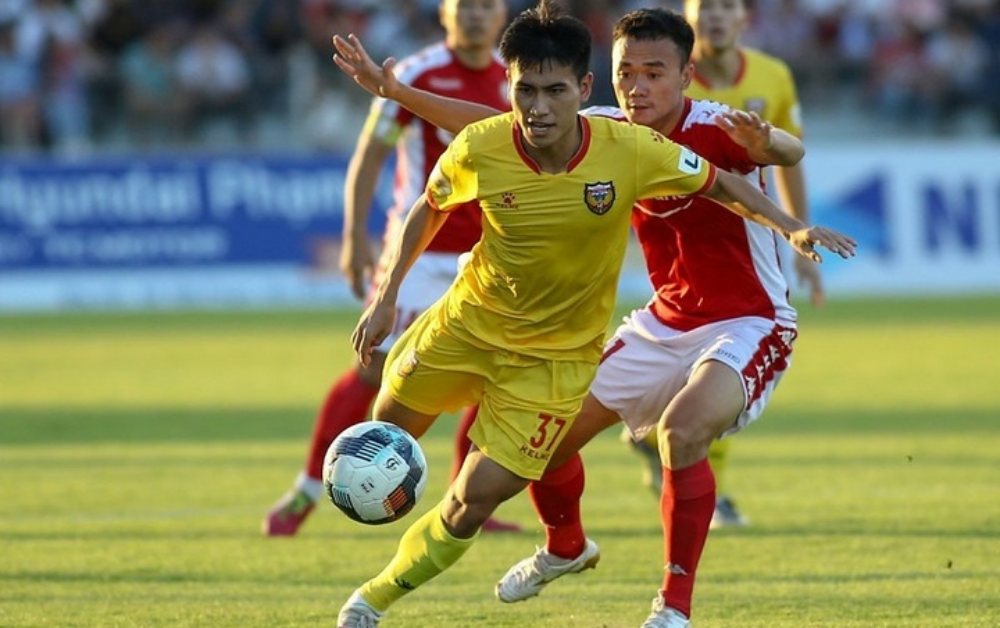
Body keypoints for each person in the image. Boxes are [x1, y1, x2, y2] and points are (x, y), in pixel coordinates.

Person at [331, 3, 855, 626]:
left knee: (675, 434)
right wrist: (397, 93)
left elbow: (761, 163)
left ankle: (672, 609)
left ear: (685, 75)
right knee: (495, 440)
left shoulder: (685, 133)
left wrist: (788, 207)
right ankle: (566, 546)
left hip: (738, 321)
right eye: (626, 72)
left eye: (653, 73)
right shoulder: (596, 127)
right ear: (603, 79)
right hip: (636, 321)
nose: (637, 86)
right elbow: (487, 129)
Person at [261, 0, 519, 537]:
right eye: (464, 6)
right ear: (444, 13)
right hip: (419, 252)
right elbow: (370, 155)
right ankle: (308, 489)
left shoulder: (516, 79)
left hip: (490, 254)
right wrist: (354, 237)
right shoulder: (416, 74)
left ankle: (466, 499)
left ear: (502, 15)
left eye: (487, 6)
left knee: (499, 374)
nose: (475, 16)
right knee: (374, 368)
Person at [622, 0, 822, 529]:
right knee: (698, 373)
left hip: (747, 241)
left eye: (724, 6)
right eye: (702, 7)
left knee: (719, 376)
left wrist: (798, 229)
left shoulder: (772, 76)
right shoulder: (654, 82)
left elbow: (787, 157)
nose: (713, 16)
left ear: (743, 18)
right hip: (675, 252)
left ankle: (710, 487)